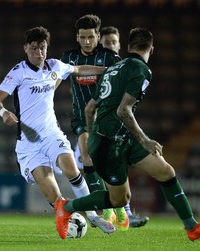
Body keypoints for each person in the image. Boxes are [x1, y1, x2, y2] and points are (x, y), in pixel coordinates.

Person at [54, 28, 200, 240]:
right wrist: (145, 140)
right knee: (119, 199)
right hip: (109, 143)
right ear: (151, 50)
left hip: (118, 137)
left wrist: (92, 135)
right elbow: (123, 110)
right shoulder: (141, 70)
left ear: (127, 47)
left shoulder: (114, 68)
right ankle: (67, 207)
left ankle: (192, 227)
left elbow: (90, 108)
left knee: (166, 172)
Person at [0, 26, 115, 235]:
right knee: (55, 198)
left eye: (43, 48)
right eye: (34, 48)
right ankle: (64, 215)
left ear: (47, 48)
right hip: (28, 144)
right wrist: (3, 113)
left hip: (51, 134)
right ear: (25, 48)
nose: (39, 53)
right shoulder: (18, 72)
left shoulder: (55, 66)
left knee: (72, 170)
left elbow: (78, 69)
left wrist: (107, 70)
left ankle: (94, 217)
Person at [60, 14, 129, 231]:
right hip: (82, 117)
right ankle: (104, 206)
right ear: (77, 37)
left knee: (105, 161)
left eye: (91, 37)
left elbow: (124, 82)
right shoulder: (68, 57)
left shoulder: (110, 57)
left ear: (98, 36)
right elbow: (54, 79)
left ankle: (116, 204)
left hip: (107, 118)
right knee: (86, 155)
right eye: (83, 37)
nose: (87, 41)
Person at [99, 25, 150, 228]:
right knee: (94, 165)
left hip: (115, 126)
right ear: (100, 45)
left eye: (113, 42)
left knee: (114, 167)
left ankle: (119, 212)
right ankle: (112, 211)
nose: (110, 45)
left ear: (121, 45)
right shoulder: (97, 64)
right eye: (106, 43)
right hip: (96, 124)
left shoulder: (123, 65)